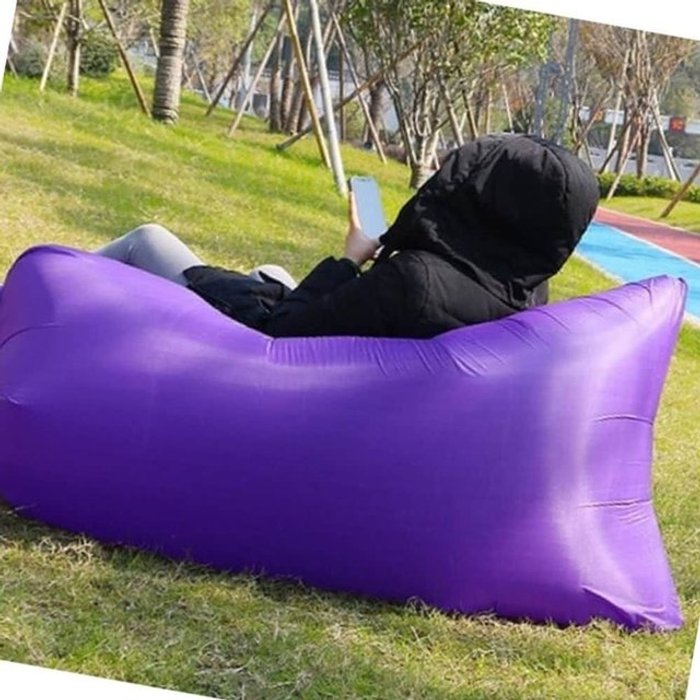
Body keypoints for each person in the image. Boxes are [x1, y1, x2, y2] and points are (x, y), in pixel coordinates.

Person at [96, 134, 600, 339]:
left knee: (148, 239)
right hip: (345, 355)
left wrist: (352, 257)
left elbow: (282, 336)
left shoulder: (416, 281)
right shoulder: (526, 291)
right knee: (270, 272)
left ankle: (44, 301)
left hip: (261, 353)